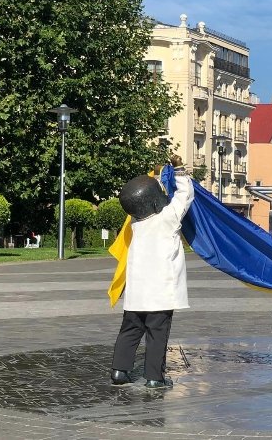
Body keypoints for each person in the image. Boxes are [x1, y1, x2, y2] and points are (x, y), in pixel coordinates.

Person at [109, 163, 194, 389]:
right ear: (156, 201)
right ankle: (155, 377)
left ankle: (119, 370)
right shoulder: (167, 219)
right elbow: (184, 197)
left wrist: (158, 177)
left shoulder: (136, 224)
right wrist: (180, 175)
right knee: (157, 334)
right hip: (160, 293)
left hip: (137, 294)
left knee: (130, 330)